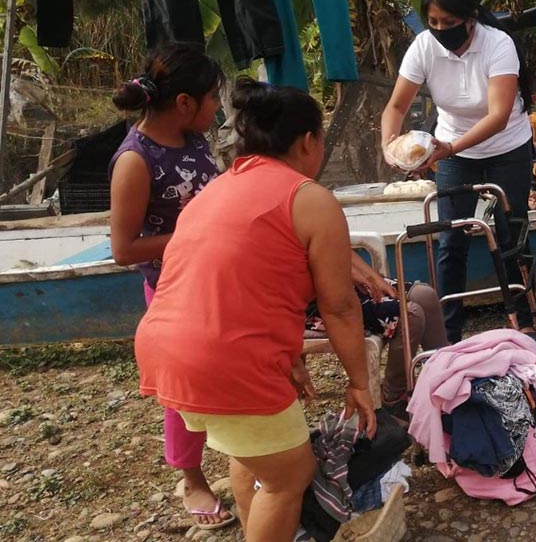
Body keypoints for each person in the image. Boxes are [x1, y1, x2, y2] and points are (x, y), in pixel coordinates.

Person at [135, 78, 377, 542]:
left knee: (254, 454)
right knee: (290, 474)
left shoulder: (216, 190)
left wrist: (288, 358)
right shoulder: (310, 199)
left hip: (166, 347)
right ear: (309, 140)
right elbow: (341, 305)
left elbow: (243, 287)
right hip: (222, 357)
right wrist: (359, 383)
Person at [107, 42, 234, 531]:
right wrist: (195, 232)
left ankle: (254, 455)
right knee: (182, 393)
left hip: (220, 281)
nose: (217, 107)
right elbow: (124, 248)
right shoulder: (135, 161)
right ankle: (192, 476)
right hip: (174, 292)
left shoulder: (196, 141)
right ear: (184, 102)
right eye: (212, 98)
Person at [380, 0, 536, 343]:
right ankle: (448, 329)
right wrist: (390, 144)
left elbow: (498, 116)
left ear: (470, 18)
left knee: (511, 233)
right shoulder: (423, 47)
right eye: (433, 23)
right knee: (451, 239)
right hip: (452, 149)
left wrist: (449, 148)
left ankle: (524, 318)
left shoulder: (498, 44)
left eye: (448, 24)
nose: (439, 30)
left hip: (507, 147)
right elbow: (397, 105)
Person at [305, 263, 449, 414]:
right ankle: (392, 397)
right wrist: (348, 272)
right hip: (315, 301)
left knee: (425, 296)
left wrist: (373, 277)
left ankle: (447, 379)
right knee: (410, 315)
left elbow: (343, 251)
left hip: (344, 281)